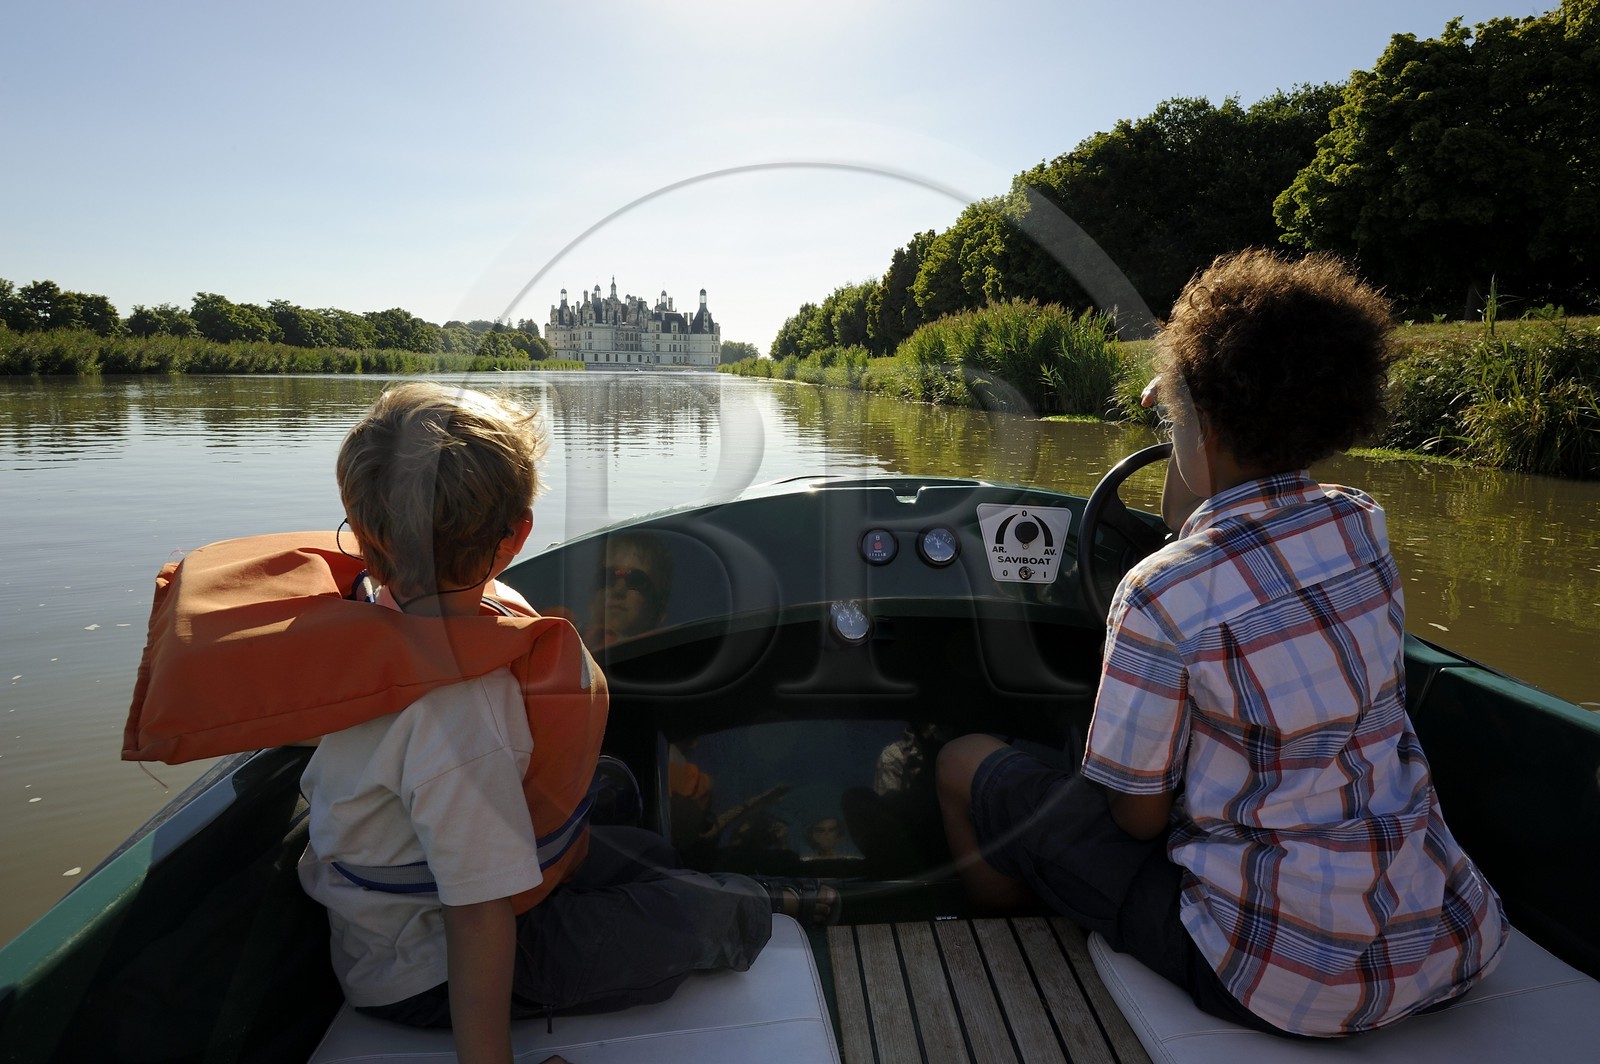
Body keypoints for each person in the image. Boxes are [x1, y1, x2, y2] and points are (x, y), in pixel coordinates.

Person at [936, 251, 1508, 1039]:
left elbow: (1137, 821)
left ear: (1197, 424)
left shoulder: (1160, 593)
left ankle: (1016, 928)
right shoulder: (1361, 522)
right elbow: (1220, 523)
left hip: (1282, 981)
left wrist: (1184, 425)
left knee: (964, 760)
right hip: (1452, 940)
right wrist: (1188, 421)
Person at [294, 383, 791, 1062]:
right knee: (695, 921)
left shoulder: (369, 612)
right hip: (424, 970)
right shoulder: (456, 715)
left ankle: (695, 881)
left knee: (648, 855)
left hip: (407, 910)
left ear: (363, 527)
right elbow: (477, 914)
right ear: (516, 537)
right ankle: (771, 904)